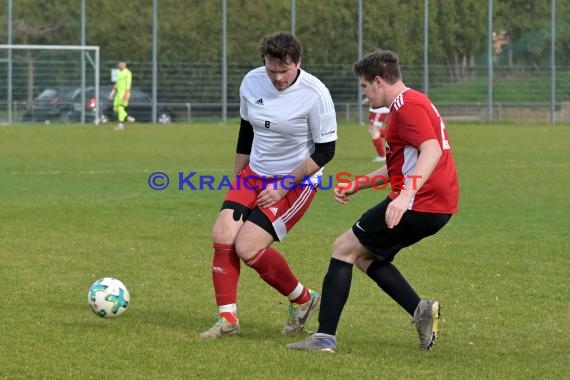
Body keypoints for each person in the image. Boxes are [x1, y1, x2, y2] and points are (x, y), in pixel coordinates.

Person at [287, 49, 459, 352]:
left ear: (379, 81)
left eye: (365, 86)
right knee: (367, 257)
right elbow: (401, 165)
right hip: (436, 204)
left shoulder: (407, 106)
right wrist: (359, 184)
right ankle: (421, 311)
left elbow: (431, 151)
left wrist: (405, 196)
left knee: (343, 248)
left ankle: (324, 337)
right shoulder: (412, 102)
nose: (365, 95)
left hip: (421, 202)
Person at [199, 31, 337, 339]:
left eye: (284, 70)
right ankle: (227, 320)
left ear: (297, 62)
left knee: (246, 246)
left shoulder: (315, 93)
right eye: (271, 70)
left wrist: (284, 186)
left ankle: (303, 298)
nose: (277, 77)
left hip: (297, 182)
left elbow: (326, 150)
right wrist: (238, 175)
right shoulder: (251, 81)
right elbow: (247, 129)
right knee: (222, 233)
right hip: (255, 172)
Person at [108, 60, 135, 131]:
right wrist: (112, 92)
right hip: (118, 94)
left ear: (125, 65)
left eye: (122, 64)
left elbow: (128, 85)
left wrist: (126, 94)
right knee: (115, 108)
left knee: (120, 108)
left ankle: (121, 125)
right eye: (119, 64)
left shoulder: (128, 73)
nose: (121, 65)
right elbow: (117, 84)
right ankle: (127, 117)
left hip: (124, 93)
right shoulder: (118, 72)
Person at [362, 97, 390, 162]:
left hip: (379, 109)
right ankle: (395, 135)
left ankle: (382, 156)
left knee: (374, 132)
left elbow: (378, 90)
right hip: (376, 108)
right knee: (372, 131)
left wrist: (369, 98)